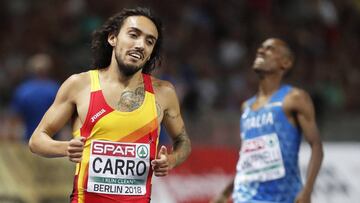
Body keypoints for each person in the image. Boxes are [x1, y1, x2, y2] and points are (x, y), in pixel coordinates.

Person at [29, 7, 191, 203]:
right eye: (133, 35)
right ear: (112, 38)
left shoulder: (163, 93)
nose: (141, 45)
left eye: (149, 42)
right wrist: (65, 148)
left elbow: (183, 142)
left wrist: (171, 160)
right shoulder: (80, 85)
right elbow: (37, 140)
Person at [212, 38, 323, 203]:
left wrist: (307, 191)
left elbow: (316, 146)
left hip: (282, 197)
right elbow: (250, 162)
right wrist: (225, 192)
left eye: (270, 49)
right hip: (245, 196)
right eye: (260, 48)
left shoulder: (294, 99)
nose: (261, 51)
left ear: (285, 63)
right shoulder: (246, 108)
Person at [10, 53, 60, 141]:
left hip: (28, 139)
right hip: (51, 140)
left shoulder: (23, 90)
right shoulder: (55, 89)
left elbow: (15, 118)